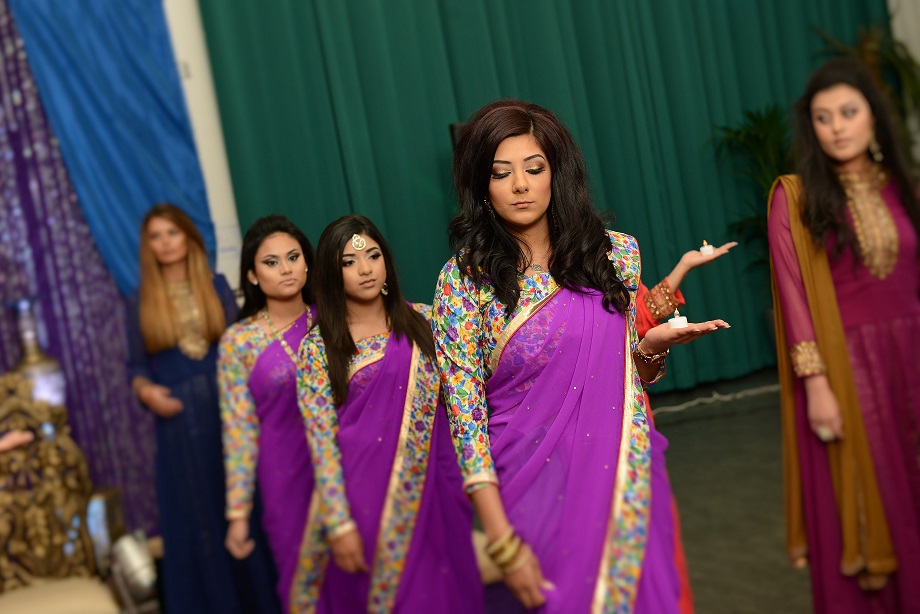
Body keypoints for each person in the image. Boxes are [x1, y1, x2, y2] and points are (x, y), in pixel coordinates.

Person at [434, 99, 729, 613]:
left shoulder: (614, 254)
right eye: (501, 173)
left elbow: (630, 379)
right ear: (481, 185)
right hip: (528, 490)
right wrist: (500, 540)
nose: (520, 185)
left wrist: (650, 349)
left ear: (557, 172)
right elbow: (465, 420)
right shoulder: (463, 282)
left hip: (622, 476)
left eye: (534, 168)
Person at [768, 57, 920, 613]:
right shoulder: (795, 197)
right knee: (877, 497)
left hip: (913, 358)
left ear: (873, 117)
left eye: (849, 112)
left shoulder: (904, 187)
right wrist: (816, 385)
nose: (837, 127)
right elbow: (793, 296)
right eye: (823, 116)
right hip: (851, 373)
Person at [296, 215, 482, 613]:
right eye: (348, 262)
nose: (365, 269)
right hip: (367, 501)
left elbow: (466, 402)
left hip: (438, 488)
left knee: (449, 594)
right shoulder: (319, 348)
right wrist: (338, 521)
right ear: (331, 272)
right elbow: (321, 441)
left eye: (373, 256)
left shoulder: (427, 322)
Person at [126, 203, 279, 613]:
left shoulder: (216, 285)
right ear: (147, 246)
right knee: (196, 517)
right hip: (178, 426)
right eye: (156, 236)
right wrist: (148, 393)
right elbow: (136, 368)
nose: (165, 242)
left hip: (228, 415)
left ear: (188, 237)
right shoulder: (139, 301)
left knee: (243, 504)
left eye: (172, 233)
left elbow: (240, 348)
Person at [218, 215, 316, 612]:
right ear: (252, 275)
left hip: (349, 465)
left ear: (307, 262)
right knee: (304, 585)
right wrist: (238, 514)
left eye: (293, 257)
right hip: (284, 477)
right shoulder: (239, 342)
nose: (286, 269)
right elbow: (239, 431)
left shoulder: (333, 319)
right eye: (271, 262)